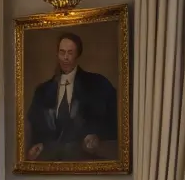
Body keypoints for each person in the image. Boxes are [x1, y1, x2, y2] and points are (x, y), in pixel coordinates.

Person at [24, 30, 118, 162]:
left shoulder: (97, 84)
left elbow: (116, 120)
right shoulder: (42, 91)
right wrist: (35, 146)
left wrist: (97, 137)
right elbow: (34, 127)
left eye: (70, 53)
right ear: (57, 54)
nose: (65, 58)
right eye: (62, 52)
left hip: (85, 161)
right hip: (50, 164)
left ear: (78, 54)